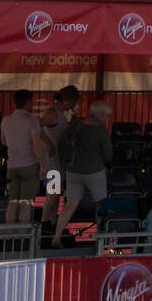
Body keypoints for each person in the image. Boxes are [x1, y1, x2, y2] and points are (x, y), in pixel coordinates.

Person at [51, 100, 114, 248]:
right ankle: (99, 240)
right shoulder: (101, 130)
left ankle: (56, 236)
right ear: (102, 114)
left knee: (70, 205)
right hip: (94, 171)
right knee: (100, 204)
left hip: (73, 171)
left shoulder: (76, 124)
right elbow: (108, 156)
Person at [38, 85, 81, 229]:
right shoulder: (52, 113)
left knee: (56, 192)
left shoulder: (61, 114)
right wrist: (48, 143)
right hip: (51, 160)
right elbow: (36, 127)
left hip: (58, 159)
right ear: (68, 100)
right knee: (54, 191)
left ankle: (52, 221)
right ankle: (44, 221)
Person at [0, 89, 45, 224]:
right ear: (28, 103)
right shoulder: (32, 121)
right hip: (29, 165)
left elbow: (3, 142)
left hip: (12, 165)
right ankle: (23, 236)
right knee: (26, 203)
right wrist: (44, 166)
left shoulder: (6, 120)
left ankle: (10, 236)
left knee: (12, 202)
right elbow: (37, 146)